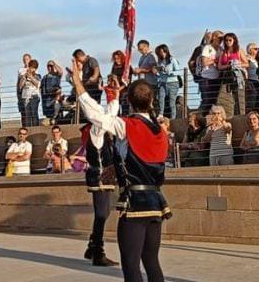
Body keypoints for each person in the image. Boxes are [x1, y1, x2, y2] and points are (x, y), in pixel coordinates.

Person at [72, 75, 171, 282]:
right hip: (156, 202)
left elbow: (94, 114)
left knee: (131, 264)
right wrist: (118, 169)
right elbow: (146, 161)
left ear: (130, 102)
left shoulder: (127, 126)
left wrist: (77, 82)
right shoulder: (160, 132)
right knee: (152, 262)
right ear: (151, 101)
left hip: (135, 203)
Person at [79, 105, 119, 267]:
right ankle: (97, 252)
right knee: (101, 214)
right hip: (100, 176)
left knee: (104, 212)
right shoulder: (96, 130)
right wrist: (114, 96)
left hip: (105, 175)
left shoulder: (102, 133)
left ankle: (92, 246)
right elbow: (110, 114)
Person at [152, 45, 183, 120]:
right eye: (159, 53)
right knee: (161, 98)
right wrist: (156, 73)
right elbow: (160, 75)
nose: (162, 54)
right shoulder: (160, 61)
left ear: (166, 51)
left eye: (163, 52)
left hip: (173, 83)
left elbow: (178, 71)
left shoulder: (173, 60)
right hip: (163, 82)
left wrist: (169, 72)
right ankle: (160, 114)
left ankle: (173, 118)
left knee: (171, 102)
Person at [21, 61, 42, 127]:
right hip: (25, 97)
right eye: (30, 67)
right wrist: (24, 77)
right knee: (27, 115)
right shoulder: (24, 75)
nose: (31, 69)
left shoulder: (37, 75)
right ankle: (28, 130)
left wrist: (30, 77)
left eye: (33, 68)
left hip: (34, 97)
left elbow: (38, 84)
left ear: (35, 69)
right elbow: (20, 86)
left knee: (34, 114)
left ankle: (35, 129)